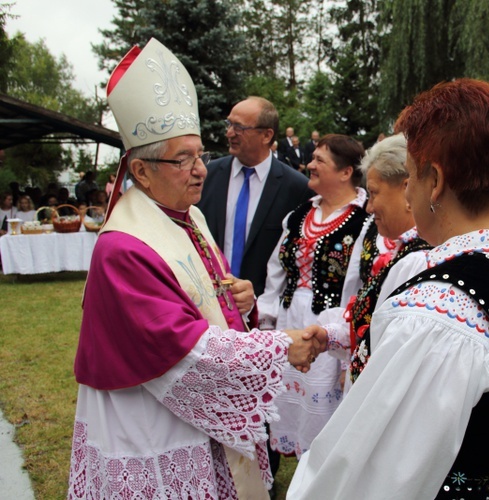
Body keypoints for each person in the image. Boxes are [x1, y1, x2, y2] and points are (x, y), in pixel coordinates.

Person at [66, 38, 324, 500]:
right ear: (141, 173)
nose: (200, 170)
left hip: (189, 408)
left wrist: (238, 299)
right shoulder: (124, 247)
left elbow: (203, 299)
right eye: (181, 160)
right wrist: (280, 346)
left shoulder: (189, 216)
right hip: (147, 416)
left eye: (199, 155)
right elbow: (180, 344)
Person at [288, 79, 489, 499]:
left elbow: (371, 480)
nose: (410, 192)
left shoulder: (440, 312)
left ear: (433, 180)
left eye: (412, 177)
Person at [257, 134, 369, 459]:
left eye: (319, 160)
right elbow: (276, 267)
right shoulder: (299, 215)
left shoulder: (364, 221)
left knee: (325, 422)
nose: (309, 164)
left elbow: (358, 285)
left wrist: (350, 344)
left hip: (330, 328)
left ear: (345, 172)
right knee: (287, 409)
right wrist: (267, 318)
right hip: (290, 318)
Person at [321, 133, 431, 389]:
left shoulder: (420, 259)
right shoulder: (400, 247)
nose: (368, 207)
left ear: (407, 189)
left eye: (374, 193)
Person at [196, 97, 313, 297]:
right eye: (229, 124)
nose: (229, 133)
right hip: (208, 304)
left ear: (267, 135)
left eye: (239, 127)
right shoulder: (207, 176)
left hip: (265, 311)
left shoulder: (297, 188)